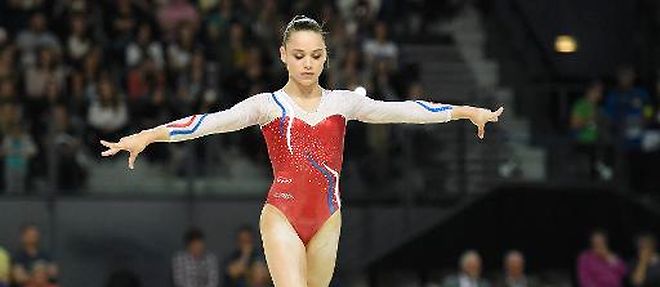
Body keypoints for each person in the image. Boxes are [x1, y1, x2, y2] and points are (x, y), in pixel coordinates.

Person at [100, 15, 503, 287]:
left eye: (315, 56)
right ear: (283, 56)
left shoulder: (343, 103)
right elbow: (206, 122)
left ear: (326, 57)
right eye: (299, 56)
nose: (307, 64)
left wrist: (466, 112)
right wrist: (148, 135)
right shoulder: (267, 106)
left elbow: (407, 111)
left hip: (328, 218)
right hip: (283, 215)